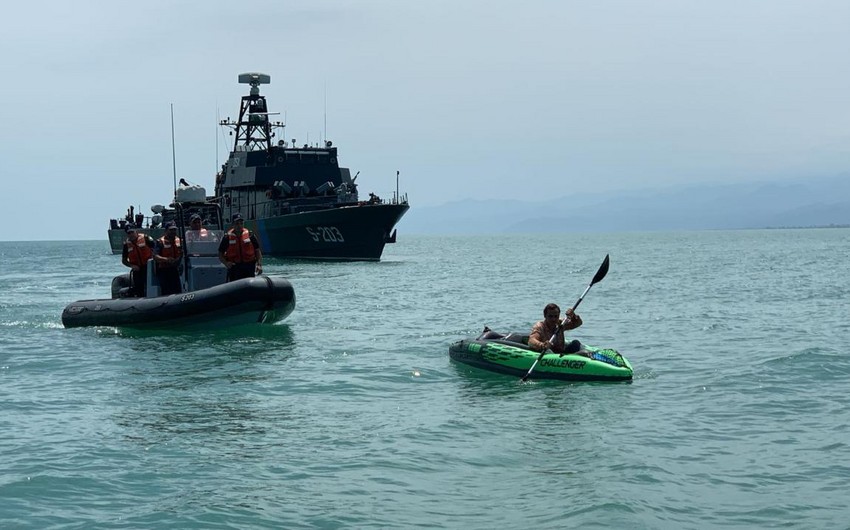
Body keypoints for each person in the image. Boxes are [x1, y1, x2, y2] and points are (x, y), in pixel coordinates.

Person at [218, 213, 263, 281]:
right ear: (233, 225)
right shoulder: (227, 238)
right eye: (237, 223)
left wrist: (259, 265)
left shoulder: (250, 235)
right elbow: (220, 254)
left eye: (241, 223)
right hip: (235, 268)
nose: (239, 226)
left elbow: (257, 250)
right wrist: (226, 263)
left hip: (249, 267)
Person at [121, 226, 155, 297]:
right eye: (129, 233)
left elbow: (155, 250)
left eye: (132, 232)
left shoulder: (146, 238)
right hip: (137, 269)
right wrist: (132, 266)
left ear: (136, 231)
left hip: (149, 267)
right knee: (139, 289)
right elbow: (124, 260)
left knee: (152, 285)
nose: (131, 234)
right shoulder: (126, 245)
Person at [153, 221, 183, 295]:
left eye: (174, 230)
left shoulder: (179, 241)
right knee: (166, 291)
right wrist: (167, 259)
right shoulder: (160, 242)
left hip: (176, 269)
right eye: (171, 230)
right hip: (164, 270)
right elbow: (155, 256)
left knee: (178, 290)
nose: (173, 232)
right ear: (166, 231)